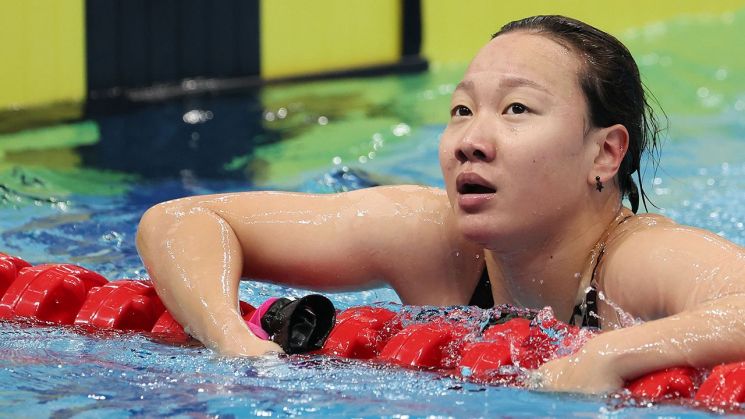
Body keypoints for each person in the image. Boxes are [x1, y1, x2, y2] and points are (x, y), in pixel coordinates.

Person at [136, 15, 745, 394]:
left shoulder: (638, 262)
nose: (470, 142)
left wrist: (612, 351)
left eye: (516, 110)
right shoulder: (432, 240)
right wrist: (233, 343)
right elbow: (181, 220)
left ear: (605, 155)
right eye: (461, 110)